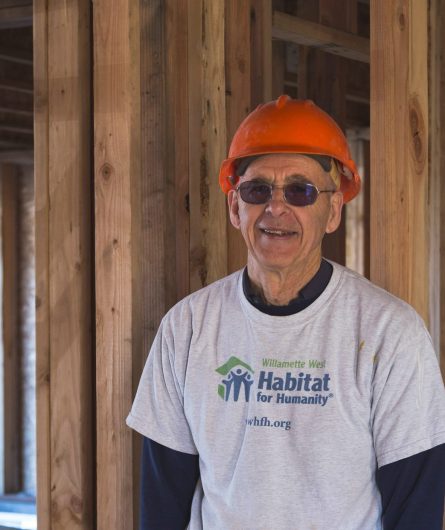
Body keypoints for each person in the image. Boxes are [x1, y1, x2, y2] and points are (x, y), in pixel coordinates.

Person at [127, 95, 445, 529]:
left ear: (332, 211)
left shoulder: (390, 333)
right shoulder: (187, 329)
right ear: (235, 207)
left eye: (301, 190)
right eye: (258, 189)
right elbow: (162, 504)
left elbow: (416, 509)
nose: (276, 207)